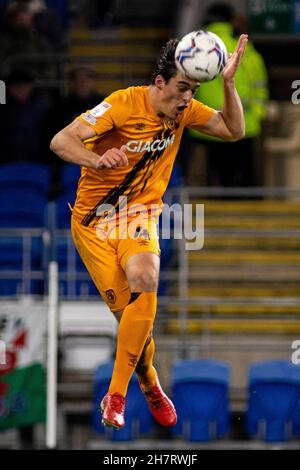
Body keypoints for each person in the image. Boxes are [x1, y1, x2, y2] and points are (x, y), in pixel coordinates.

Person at [50, 34, 248, 430]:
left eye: (192, 90)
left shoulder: (184, 111)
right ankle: (151, 383)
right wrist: (96, 158)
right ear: (159, 83)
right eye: (181, 88)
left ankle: (116, 394)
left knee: (147, 276)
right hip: (93, 224)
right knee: (132, 324)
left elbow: (233, 130)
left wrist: (228, 84)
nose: (186, 99)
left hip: (138, 215)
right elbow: (61, 141)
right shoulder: (123, 104)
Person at [189, 3, 268, 187]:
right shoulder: (244, 51)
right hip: (242, 125)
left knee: (209, 178)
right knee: (240, 180)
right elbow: (259, 85)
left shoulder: (193, 49)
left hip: (203, 125)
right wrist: (256, 115)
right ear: (231, 21)